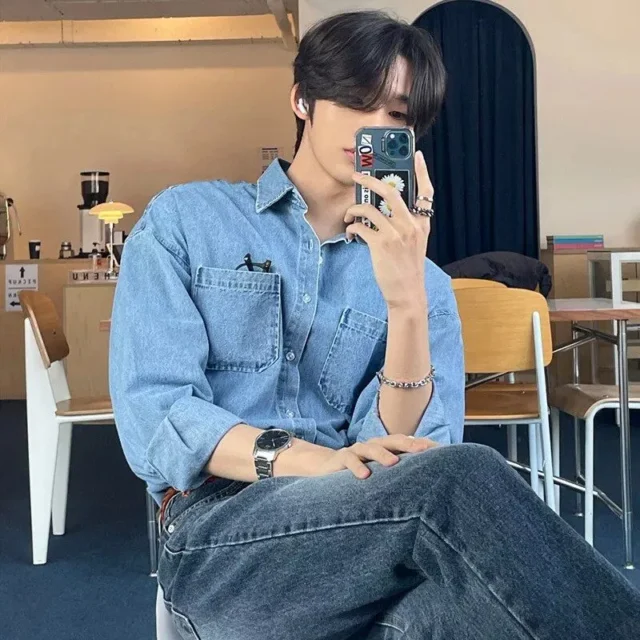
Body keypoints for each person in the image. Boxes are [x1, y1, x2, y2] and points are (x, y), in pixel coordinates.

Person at [109, 10, 640, 640]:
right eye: (356, 100)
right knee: (463, 478)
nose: (373, 125)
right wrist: (314, 462)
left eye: (396, 114)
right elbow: (156, 414)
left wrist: (407, 300)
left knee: (449, 617)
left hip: (366, 539)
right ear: (302, 99)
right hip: (218, 534)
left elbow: (409, 452)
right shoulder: (189, 221)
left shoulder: (423, 282)